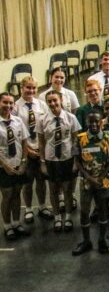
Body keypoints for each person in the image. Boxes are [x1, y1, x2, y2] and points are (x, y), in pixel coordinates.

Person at [72, 111, 109, 256]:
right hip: (86, 182)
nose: (94, 124)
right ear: (86, 122)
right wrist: (89, 178)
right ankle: (86, 241)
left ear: (101, 122)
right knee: (84, 211)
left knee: (102, 209)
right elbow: (77, 161)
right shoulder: (80, 138)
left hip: (103, 181)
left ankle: (102, 240)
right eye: (91, 121)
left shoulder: (108, 138)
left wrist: (101, 177)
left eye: (97, 121)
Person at [40, 91, 81, 233]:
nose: (52, 103)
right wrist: (42, 162)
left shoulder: (71, 118)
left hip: (67, 158)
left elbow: (75, 141)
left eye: (55, 100)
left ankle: (68, 216)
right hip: (51, 159)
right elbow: (41, 142)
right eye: (49, 101)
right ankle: (57, 217)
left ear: (61, 100)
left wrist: (76, 161)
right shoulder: (43, 119)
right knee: (53, 190)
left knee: (67, 189)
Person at [14, 77, 52, 225]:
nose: (31, 90)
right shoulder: (15, 107)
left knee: (41, 180)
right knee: (28, 182)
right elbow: (15, 132)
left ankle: (42, 206)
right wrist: (27, 150)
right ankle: (29, 209)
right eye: (28, 87)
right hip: (25, 150)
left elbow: (47, 126)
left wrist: (42, 149)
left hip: (40, 148)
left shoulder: (41, 105)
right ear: (21, 88)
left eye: (33, 88)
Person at [0, 92, 31, 240]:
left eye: (11, 103)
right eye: (5, 102)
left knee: (17, 193)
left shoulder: (17, 121)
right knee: (7, 195)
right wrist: (4, 165)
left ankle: (16, 223)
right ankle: (7, 226)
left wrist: (24, 161)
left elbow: (24, 141)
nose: (8, 106)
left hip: (18, 164)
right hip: (3, 167)